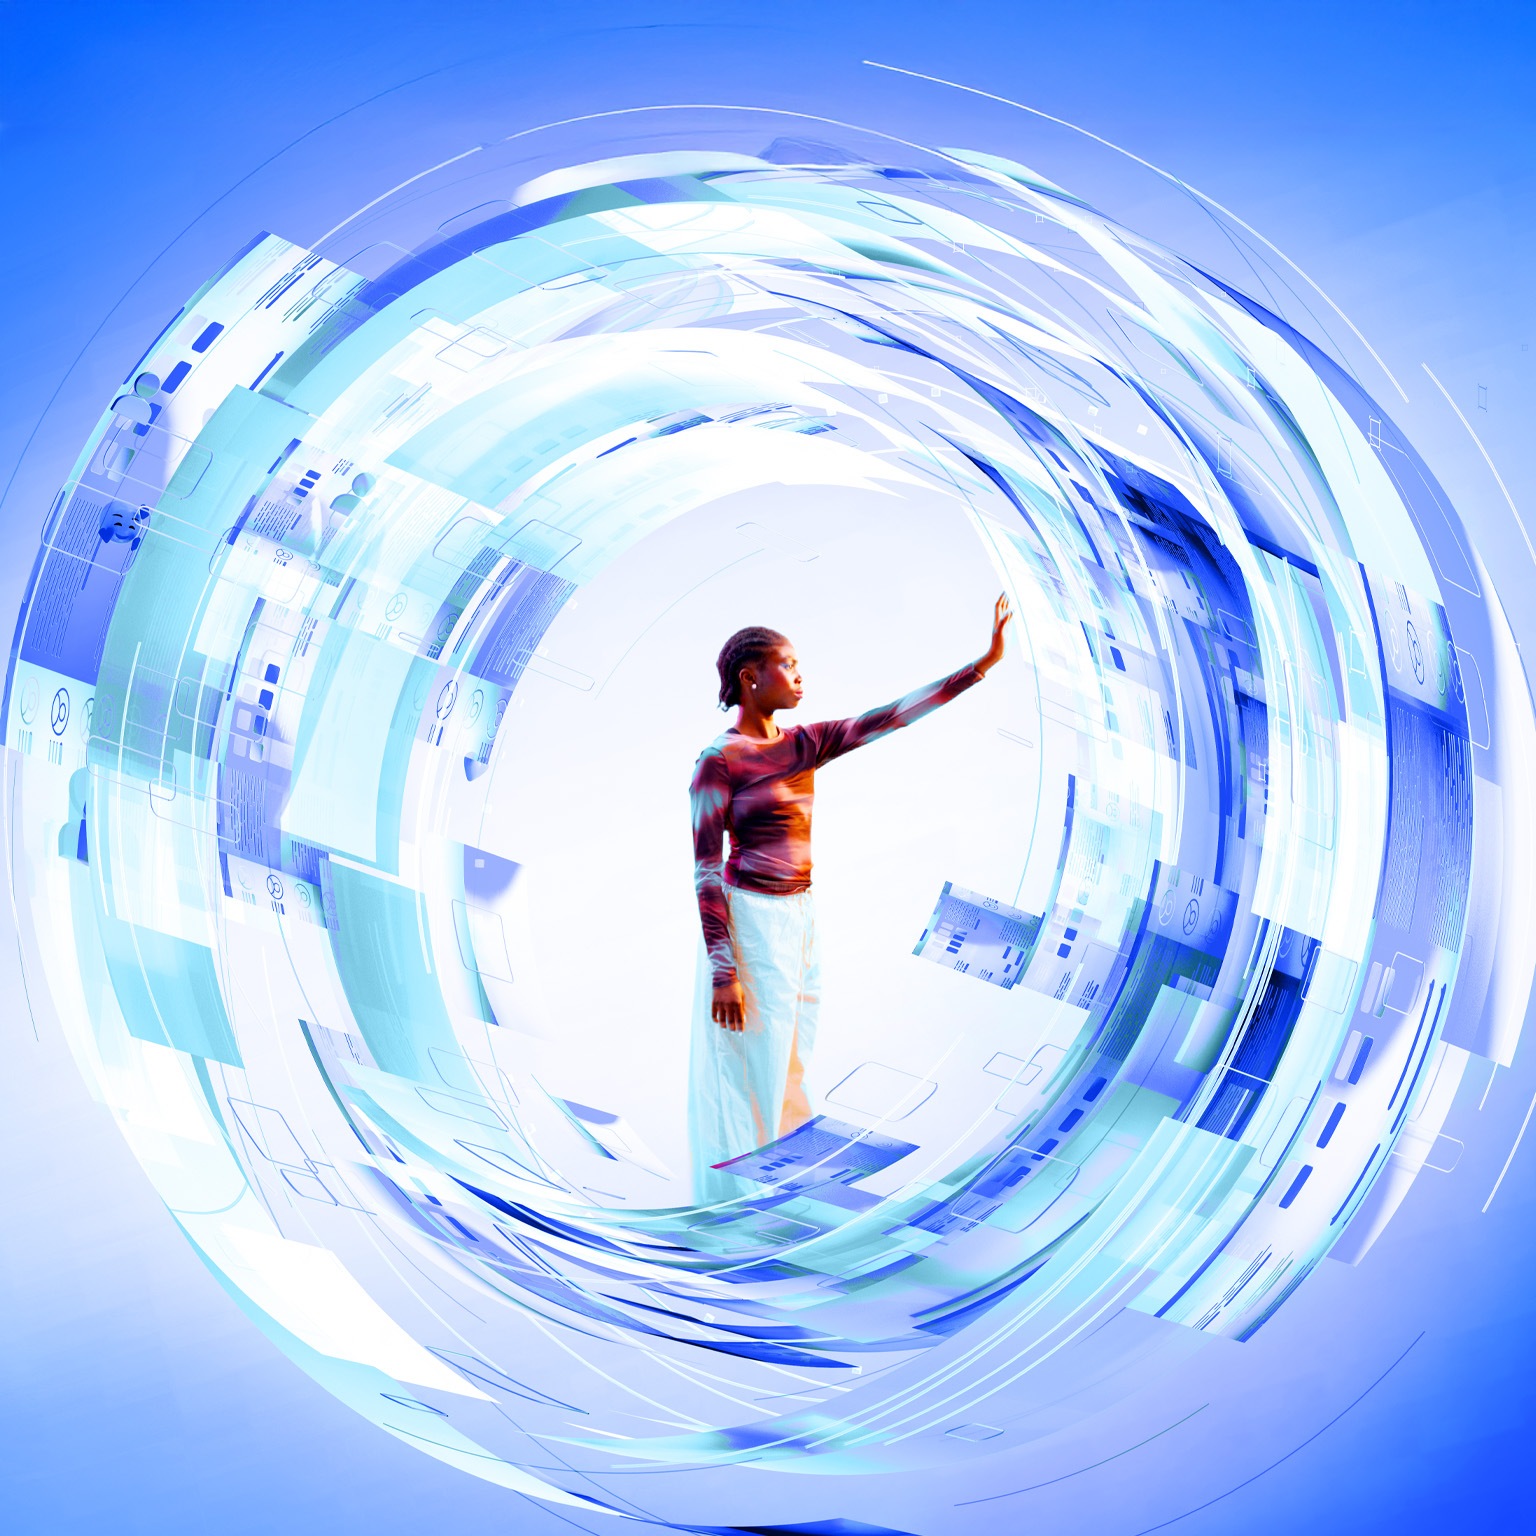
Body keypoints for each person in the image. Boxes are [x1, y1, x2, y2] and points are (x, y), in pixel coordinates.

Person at [687, 593, 1013, 1204]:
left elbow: (890, 717)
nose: (800, 676)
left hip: (800, 915)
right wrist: (724, 972)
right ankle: (741, 1202)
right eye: (788, 665)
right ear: (750, 678)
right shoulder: (718, 761)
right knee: (753, 1063)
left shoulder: (805, 743)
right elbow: (706, 869)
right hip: (749, 921)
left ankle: (787, 1190)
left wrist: (982, 666)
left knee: (792, 1056)